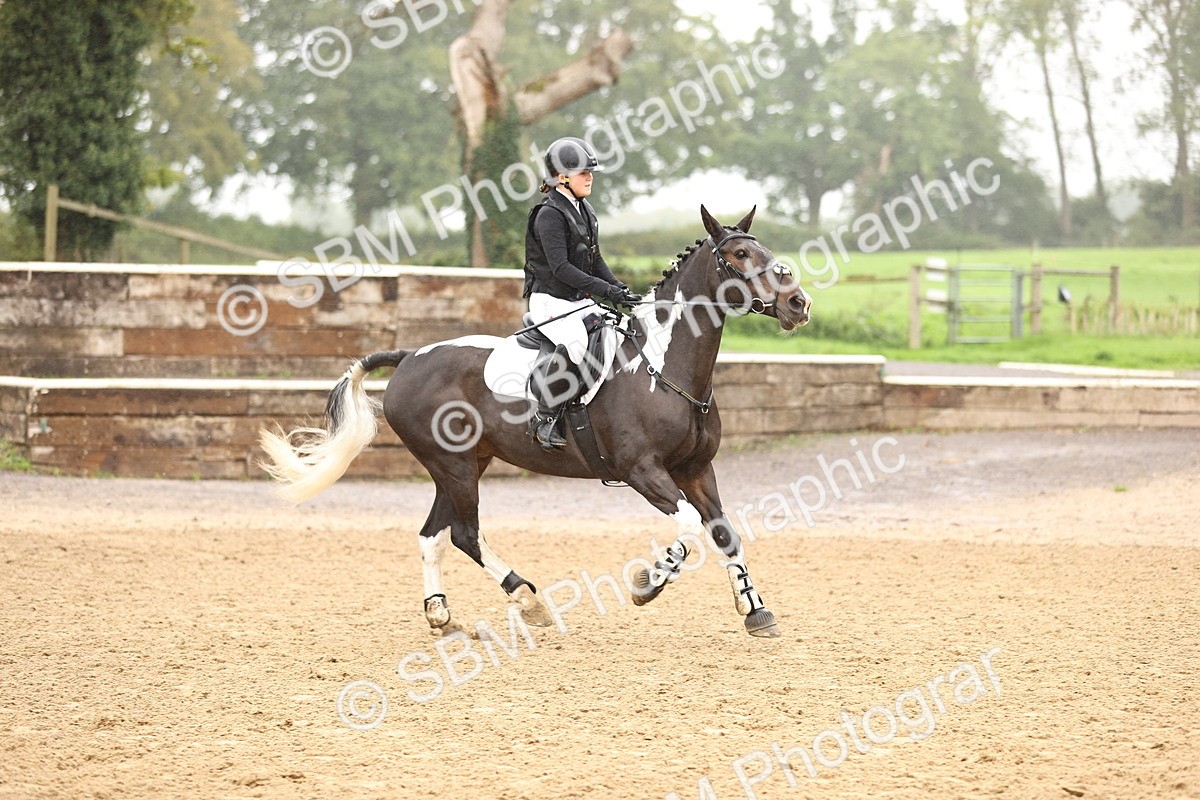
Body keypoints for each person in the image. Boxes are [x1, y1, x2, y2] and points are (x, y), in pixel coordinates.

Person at [522, 136, 639, 451]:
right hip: (549, 300)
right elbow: (560, 268)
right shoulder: (548, 214)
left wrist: (620, 291)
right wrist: (606, 290)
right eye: (583, 172)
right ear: (562, 177)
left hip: (576, 300)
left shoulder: (584, 209)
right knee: (576, 344)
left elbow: (595, 259)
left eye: (591, 171)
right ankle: (545, 418)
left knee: (618, 333)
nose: (590, 177)